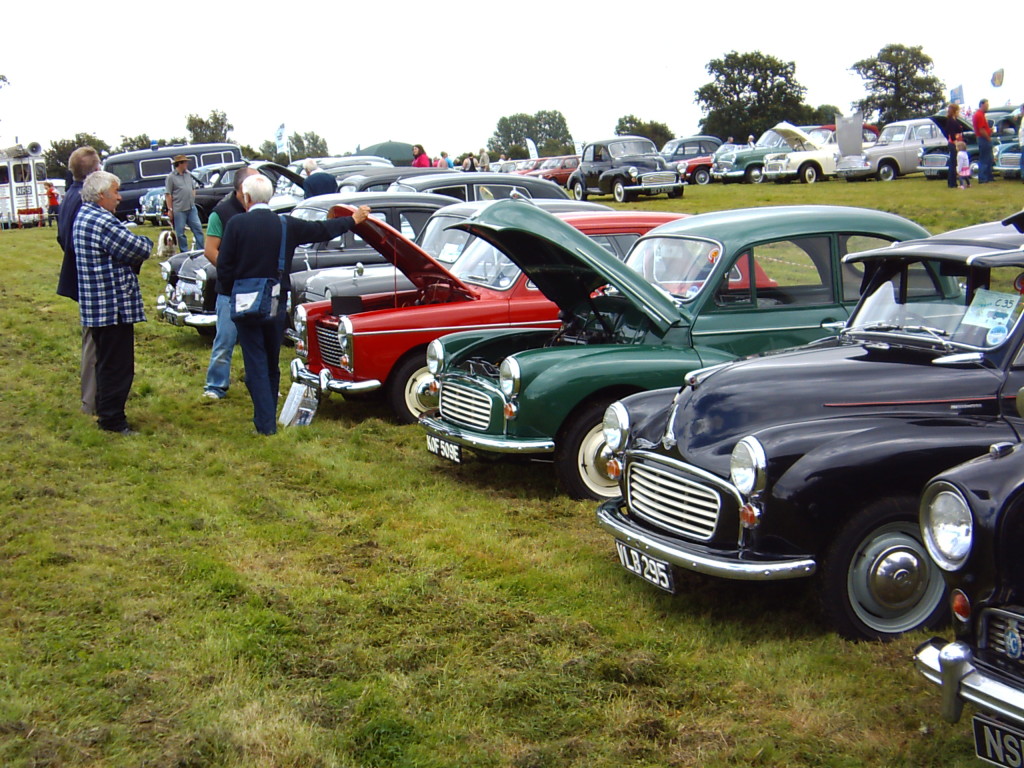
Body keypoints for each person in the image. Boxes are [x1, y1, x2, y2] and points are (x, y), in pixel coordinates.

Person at [216, 175, 370, 435]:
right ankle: (269, 414)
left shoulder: (236, 224)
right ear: (270, 197)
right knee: (271, 359)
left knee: (254, 360)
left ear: (247, 198)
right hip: (277, 300)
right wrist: (352, 220)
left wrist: (235, 287)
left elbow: (224, 267)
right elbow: (321, 229)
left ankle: (264, 423)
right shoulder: (285, 225)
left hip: (245, 302)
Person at [72, 171, 154, 434]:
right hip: (112, 307)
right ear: (101, 195)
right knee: (118, 367)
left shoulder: (84, 215)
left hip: (98, 307)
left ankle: (107, 415)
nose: (119, 197)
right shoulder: (102, 221)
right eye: (115, 192)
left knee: (107, 363)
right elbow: (140, 249)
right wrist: (145, 241)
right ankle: (113, 421)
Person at [201, 166, 259, 400]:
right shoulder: (221, 213)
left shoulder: (259, 211)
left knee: (255, 343)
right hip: (230, 290)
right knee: (225, 339)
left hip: (256, 288)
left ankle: (258, 385)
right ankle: (215, 386)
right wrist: (230, 273)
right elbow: (210, 250)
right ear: (243, 188)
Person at [57, 145, 103, 415]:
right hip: (88, 279)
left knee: (92, 337)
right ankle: (91, 400)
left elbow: (61, 238)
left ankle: (94, 396)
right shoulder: (83, 201)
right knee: (94, 340)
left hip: (77, 277)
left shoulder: (69, 197)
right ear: (95, 171)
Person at [165, 155, 205, 252]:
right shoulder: (171, 177)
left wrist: (192, 198)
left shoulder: (188, 175)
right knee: (180, 233)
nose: (187, 164)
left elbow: (193, 188)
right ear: (179, 164)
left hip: (191, 208)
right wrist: (170, 209)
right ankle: (184, 252)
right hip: (179, 209)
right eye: (185, 162)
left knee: (198, 229)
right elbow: (168, 194)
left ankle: (200, 250)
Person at [973, 99, 994, 184]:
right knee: (984, 159)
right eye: (986, 105)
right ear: (981, 105)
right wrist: (988, 137)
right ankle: (983, 178)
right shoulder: (979, 115)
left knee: (989, 158)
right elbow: (981, 130)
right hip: (983, 139)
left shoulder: (981, 115)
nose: (987, 107)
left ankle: (988, 176)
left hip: (983, 138)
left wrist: (989, 130)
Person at [944, 103, 963, 189]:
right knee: (953, 163)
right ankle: (952, 183)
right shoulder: (951, 121)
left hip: (956, 142)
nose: (959, 112)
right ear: (955, 111)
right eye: (958, 110)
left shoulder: (955, 120)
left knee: (954, 163)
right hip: (954, 143)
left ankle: (953, 182)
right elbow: (951, 134)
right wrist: (956, 144)